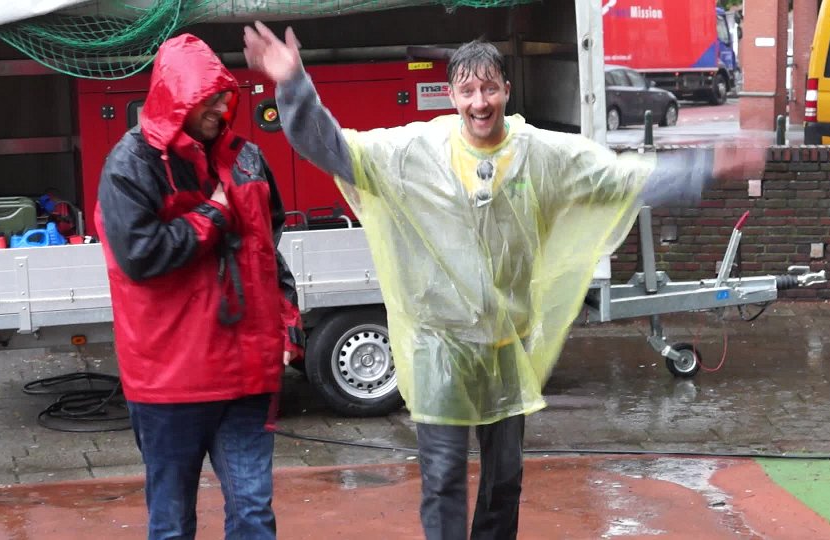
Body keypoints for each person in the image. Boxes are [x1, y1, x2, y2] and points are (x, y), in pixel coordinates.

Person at [243, 22, 761, 540]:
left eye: (489, 88)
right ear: (451, 95)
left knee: (505, 479)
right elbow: (334, 149)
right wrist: (293, 84)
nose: (479, 102)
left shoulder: (539, 153)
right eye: (467, 90)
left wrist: (705, 166)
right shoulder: (415, 151)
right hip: (438, 344)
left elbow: (620, 176)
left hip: (503, 344)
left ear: (506, 91)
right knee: (443, 478)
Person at [95, 33, 304, 540]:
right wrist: (212, 214)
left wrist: (288, 325)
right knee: (172, 524)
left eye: (223, 96)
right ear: (175, 97)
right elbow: (140, 256)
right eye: (206, 98)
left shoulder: (246, 157)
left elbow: (265, 249)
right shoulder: (131, 164)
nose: (220, 107)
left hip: (246, 376)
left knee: (254, 515)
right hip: (171, 382)